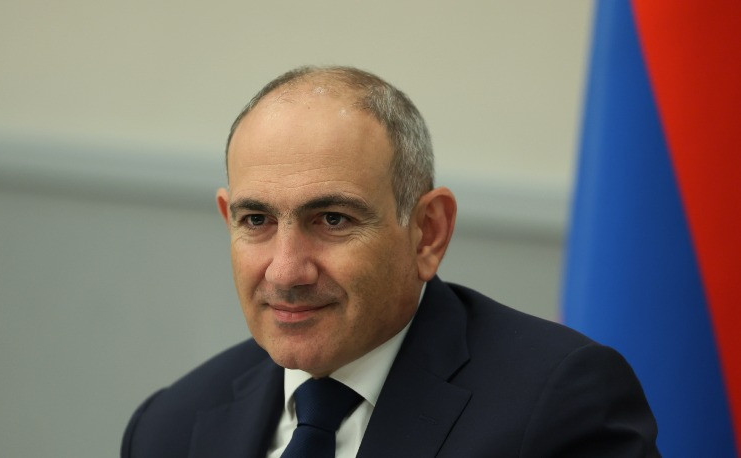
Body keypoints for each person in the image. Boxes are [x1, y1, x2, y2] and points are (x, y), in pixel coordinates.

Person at [122, 66, 659, 457]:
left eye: (332, 219)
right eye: (256, 220)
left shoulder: (558, 409)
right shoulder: (170, 429)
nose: (286, 271)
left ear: (428, 232)